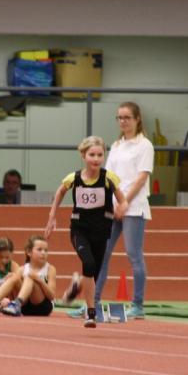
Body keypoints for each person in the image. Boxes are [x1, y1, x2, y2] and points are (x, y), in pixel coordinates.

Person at [69, 102, 153, 320]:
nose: (123, 121)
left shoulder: (145, 145)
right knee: (102, 254)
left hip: (134, 207)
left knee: (134, 254)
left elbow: (141, 177)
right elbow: (107, 176)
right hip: (111, 208)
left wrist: (125, 202)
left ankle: (138, 305)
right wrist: (112, 203)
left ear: (137, 119)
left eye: (127, 117)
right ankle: (92, 303)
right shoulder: (116, 145)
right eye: (119, 118)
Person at [44, 136, 127, 328]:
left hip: (102, 230)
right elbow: (60, 192)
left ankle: (78, 285)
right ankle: (91, 313)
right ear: (83, 155)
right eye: (92, 155)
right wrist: (52, 216)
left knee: (93, 273)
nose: (96, 159)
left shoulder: (109, 178)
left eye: (100, 155)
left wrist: (122, 208)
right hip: (79, 230)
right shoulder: (74, 178)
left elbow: (123, 200)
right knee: (88, 264)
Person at [0, 235, 56, 317]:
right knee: (13, 277)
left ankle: (17, 303)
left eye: (46, 250)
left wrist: (39, 280)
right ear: (29, 252)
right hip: (25, 308)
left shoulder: (50, 269)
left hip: (43, 307)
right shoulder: (22, 269)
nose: (43, 253)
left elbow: (51, 296)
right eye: (39, 249)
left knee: (29, 277)